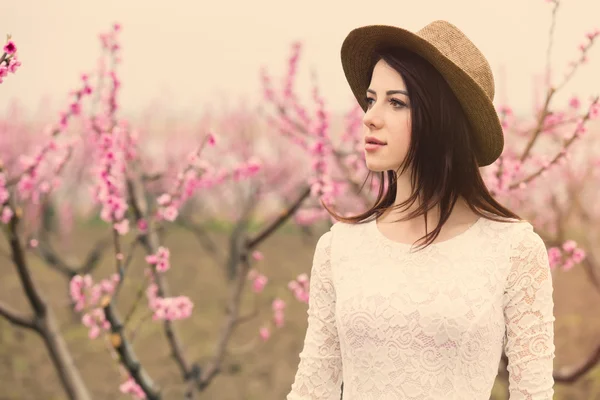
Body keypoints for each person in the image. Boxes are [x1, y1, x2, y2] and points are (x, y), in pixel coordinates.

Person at [286, 20, 555, 399]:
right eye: (370, 99)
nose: (370, 116)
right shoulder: (339, 249)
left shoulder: (514, 250)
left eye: (396, 102)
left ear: (440, 119)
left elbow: (534, 394)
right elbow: (313, 390)